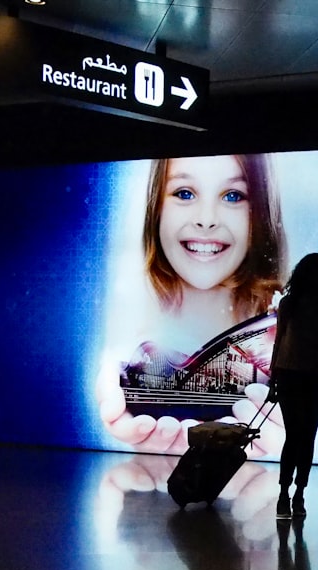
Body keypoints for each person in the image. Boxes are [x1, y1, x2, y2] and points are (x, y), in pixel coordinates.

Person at [96, 154, 287, 454]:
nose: (207, 219)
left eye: (233, 195)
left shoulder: (286, 338)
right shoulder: (126, 339)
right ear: (156, 207)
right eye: (184, 193)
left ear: (260, 212)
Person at [268, 253, 318, 519]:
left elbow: (281, 342)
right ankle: (291, 494)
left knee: (300, 436)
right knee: (300, 436)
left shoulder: (304, 305)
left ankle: (290, 494)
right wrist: (273, 377)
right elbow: (279, 341)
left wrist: (272, 377)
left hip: (301, 374)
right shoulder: (301, 305)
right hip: (301, 374)